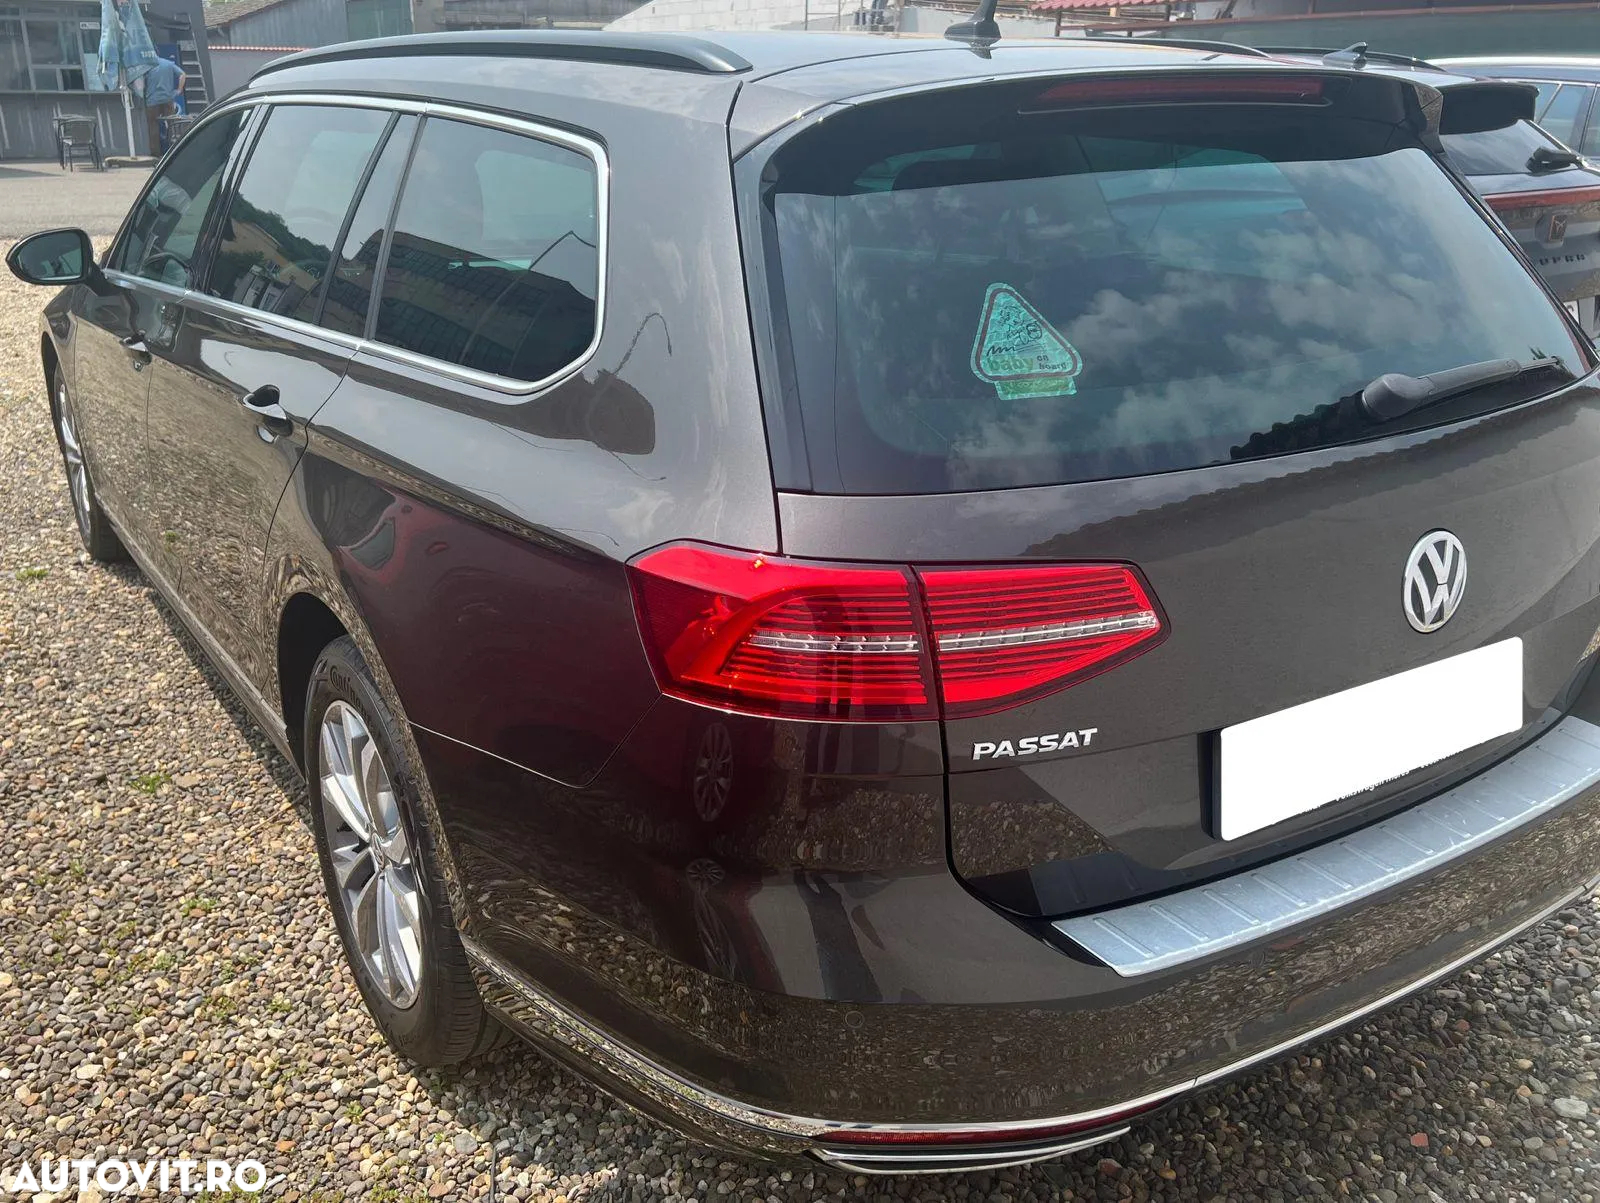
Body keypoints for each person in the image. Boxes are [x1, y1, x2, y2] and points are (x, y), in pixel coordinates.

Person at [142, 56, 186, 157]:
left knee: (153, 126)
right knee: (171, 125)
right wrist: (179, 90)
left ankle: (155, 154)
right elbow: (183, 75)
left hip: (152, 101)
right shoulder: (169, 64)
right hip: (167, 99)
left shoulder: (147, 67)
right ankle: (172, 150)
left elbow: (141, 84)